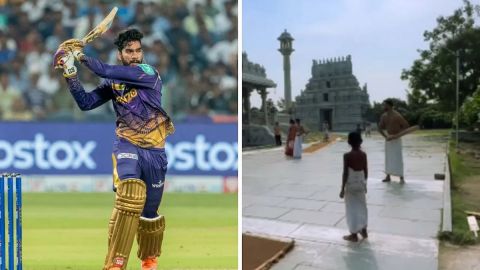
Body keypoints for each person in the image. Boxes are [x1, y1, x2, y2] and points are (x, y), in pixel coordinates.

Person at [54, 29, 174, 270]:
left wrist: (80, 55)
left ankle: (149, 261)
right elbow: (86, 103)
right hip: (127, 143)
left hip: (155, 150)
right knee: (129, 194)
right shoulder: (114, 83)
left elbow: (104, 69)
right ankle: (115, 264)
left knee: (149, 213)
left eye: (138, 50)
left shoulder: (147, 73)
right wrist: (70, 72)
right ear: (120, 54)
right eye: (129, 51)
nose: (135, 55)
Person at [339, 131, 368, 242]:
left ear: (349, 142)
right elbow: (366, 171)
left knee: (351, 209)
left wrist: (342, 188)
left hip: (351, 185)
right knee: (362, 207)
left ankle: (354, 234)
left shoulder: (347, 156)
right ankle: (364, 229)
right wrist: (365, 184)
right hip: (361, 183)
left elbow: (345, 173)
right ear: (360, 141)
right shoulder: (363, 155)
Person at [378, 99, 409, 184]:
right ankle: (388, 176)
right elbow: (379, 128)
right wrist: (385, 137)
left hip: (396, 139)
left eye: (385, 105)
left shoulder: (397, 115)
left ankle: (401, 177)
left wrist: (397, 135)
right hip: (388, 139)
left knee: (398, 158)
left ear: (390, 106)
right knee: (388, 158)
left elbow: (406, 126)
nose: (383, 107)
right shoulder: (384, 116)